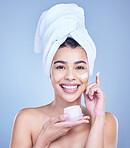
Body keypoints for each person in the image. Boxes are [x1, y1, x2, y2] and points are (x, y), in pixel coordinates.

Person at [10, 4, 118, 148]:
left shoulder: (107, 121)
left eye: (79, 67)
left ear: (89, 71)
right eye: (61, 67)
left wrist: (97, 120)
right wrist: (43, 139)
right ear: (49, 71)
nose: (70, 76)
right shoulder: (26, 120)